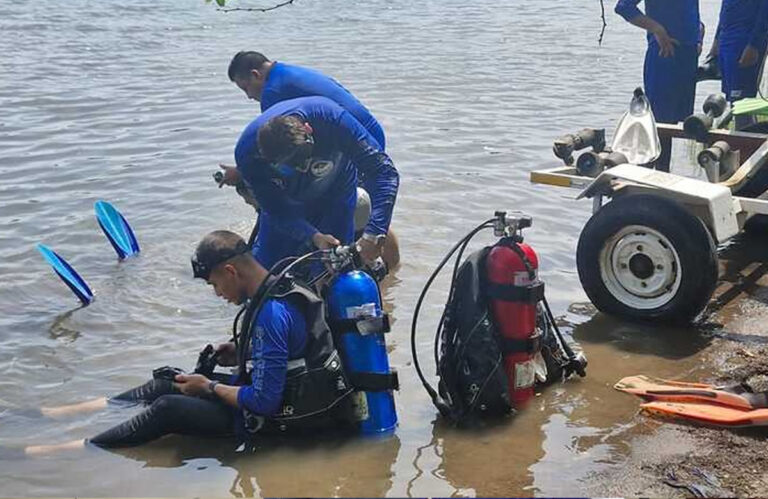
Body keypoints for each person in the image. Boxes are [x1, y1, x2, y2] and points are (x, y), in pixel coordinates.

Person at [15, 231, 354, 455]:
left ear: (231, 271)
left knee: (169, 407)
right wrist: (239, 351)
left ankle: (65, 449)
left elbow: (264, 402)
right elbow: (286, 353)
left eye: (214, 284)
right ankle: (62, 413)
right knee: (168, 382)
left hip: (276, 420)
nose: (218, 294)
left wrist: (208, 387)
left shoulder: (271, 313)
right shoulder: (277, 288)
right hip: (284, 394)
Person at [221, 96, 399, 271]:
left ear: (308, 129)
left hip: (337, 188)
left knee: (335, 267)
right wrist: (314, 236)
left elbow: (384, 172)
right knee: (267, 273)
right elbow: (276, 210)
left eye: (304, 158)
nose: (303, 168)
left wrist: (374, 232)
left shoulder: (332, 119)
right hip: (289, 197)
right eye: (292, 166)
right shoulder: (248, 154)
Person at [227, 51, 385, 149]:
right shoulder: (286, 71)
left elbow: (271, 145)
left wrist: (241, 172)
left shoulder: (272, 92)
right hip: (373, 133)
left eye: (246, 88)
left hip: (360, 144)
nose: (249, 96)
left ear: (256, 75)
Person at [615, 0, 704, 124]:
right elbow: (623, 7)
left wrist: (699, 39)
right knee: (661, 120)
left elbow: (692, 13)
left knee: (683, 121)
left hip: (688, 58)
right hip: (664, 53)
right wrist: (657, 29)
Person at [707, 0, 768, 128]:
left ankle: (745, 143)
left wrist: (754, 45)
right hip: (727, 41)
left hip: (744, 41)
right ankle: (747, 139)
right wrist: (716, 41)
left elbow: (765, 13)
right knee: (734, 100)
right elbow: (725, 10)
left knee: (742, 101)